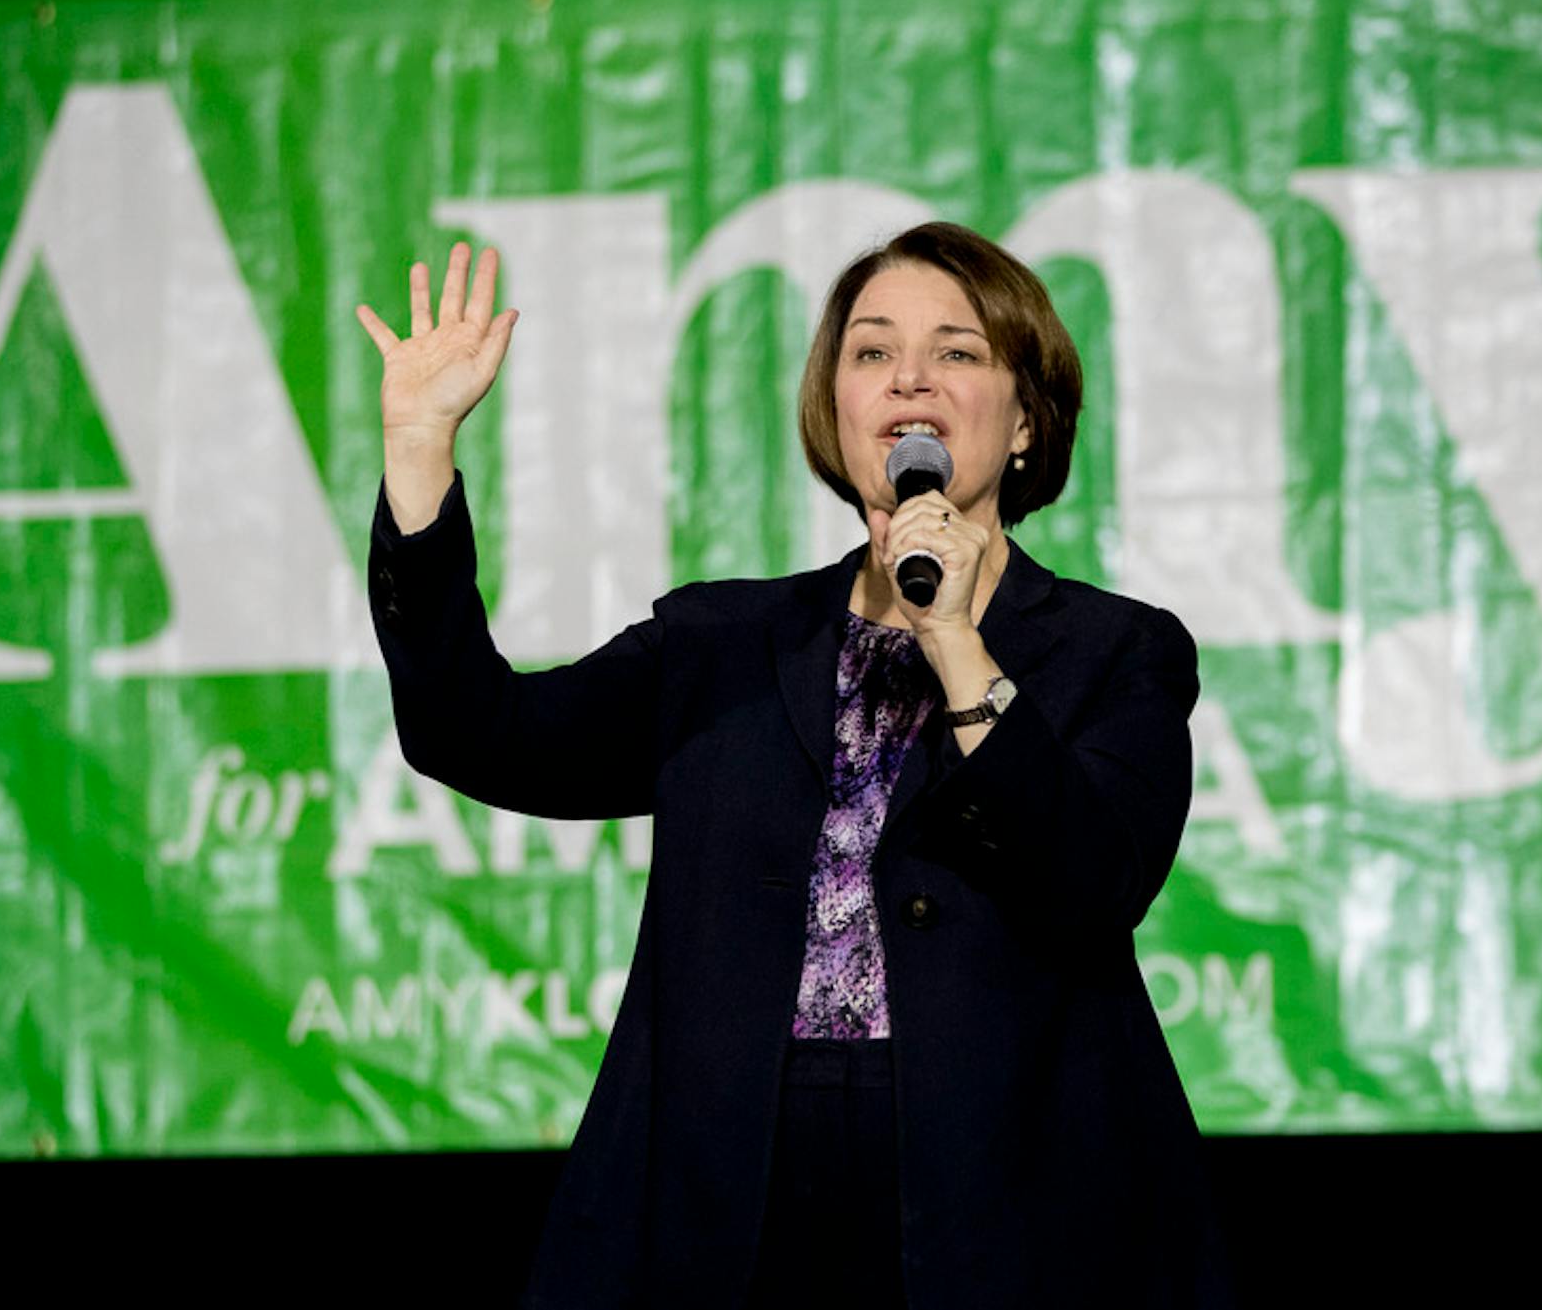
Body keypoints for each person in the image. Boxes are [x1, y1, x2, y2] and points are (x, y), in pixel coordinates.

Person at [358, 223, 1235, 1308]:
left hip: (1008, 1211)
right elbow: (473, 731)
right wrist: (418, 454)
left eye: (957, 351)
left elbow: (1092, 882)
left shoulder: (1116, 651)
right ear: (836, 410)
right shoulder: (717, 645)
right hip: (728, 1209)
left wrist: (957, 638)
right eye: (871, 353)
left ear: (1025, 422)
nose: (909, 375)